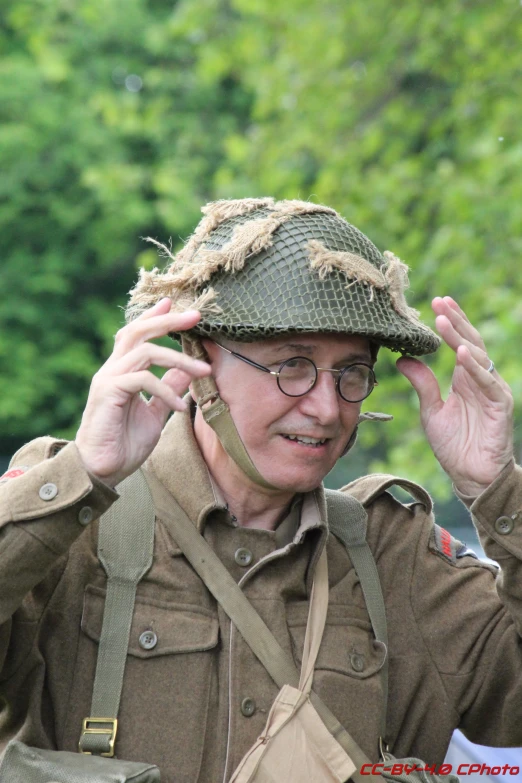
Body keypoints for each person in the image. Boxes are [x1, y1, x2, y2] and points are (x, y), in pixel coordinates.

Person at [0, 197, 519, 783]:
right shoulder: (73, 525)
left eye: (351, 374)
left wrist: (496, 490)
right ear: (200, 359)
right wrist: (83, 475)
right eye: (291, 365)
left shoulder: (395, 558)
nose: (326, 408)